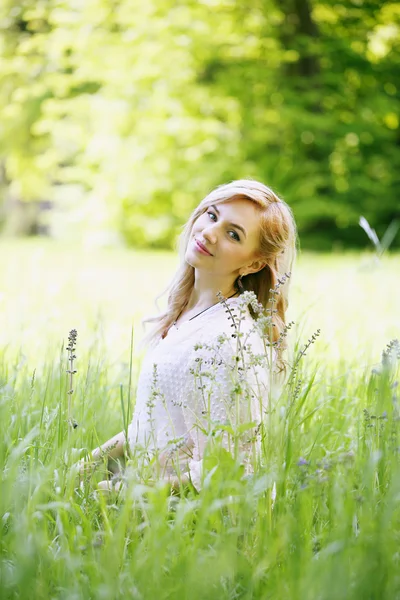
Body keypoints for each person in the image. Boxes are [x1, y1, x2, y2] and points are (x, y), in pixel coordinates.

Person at [78, 179, 297, 494]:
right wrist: (85, 465)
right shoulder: (185, 314)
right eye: (211, 215)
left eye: (233, 234)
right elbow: (153, 424)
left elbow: (229, 472)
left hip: (190, 526)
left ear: (253, 263)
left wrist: (123, 494)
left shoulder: (231, 344)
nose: (210, 232)